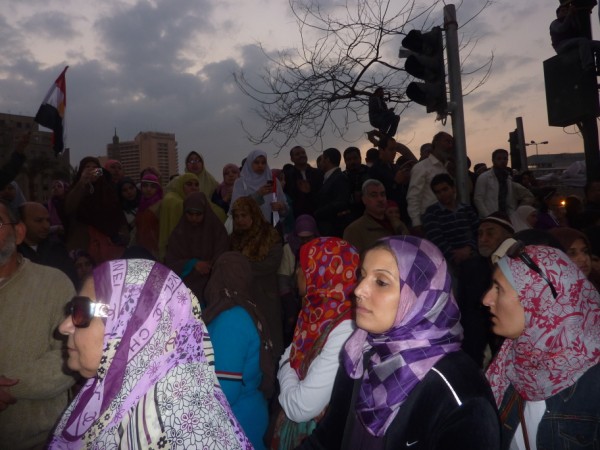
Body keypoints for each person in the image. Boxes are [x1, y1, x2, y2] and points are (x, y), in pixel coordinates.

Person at [299, 236, 500, 449]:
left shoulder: (460, 394)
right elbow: (327, 440)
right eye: (362, 276)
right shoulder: (361, 353)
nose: (358, 290)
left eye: (381, 282)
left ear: (422, 297)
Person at [49, 258, 252, 448]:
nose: (63, 327)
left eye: (82, 311)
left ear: (131, 326)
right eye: (72, 309)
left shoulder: (174, 428)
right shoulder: (111, 388)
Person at [483, 243, 600, 450]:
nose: (486, 300)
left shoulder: (593, 380)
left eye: (498, 289)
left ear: (539, 299)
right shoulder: (512, 361)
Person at [0, 200, 76, 449]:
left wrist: (11, 384)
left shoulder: (53, 283)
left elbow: (68, 356)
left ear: (18, 232)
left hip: (39, 439)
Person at [271, 237, 359, 449]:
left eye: (302, 267)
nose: (297, 273)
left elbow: (302, 407)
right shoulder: (317, 312)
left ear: (321, 274)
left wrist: (284, 367)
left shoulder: (346, 328)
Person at [203, 251, 276, 449]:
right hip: (247, 416)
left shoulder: (230, 320)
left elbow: (225, 391)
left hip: (235, 425)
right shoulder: (243, 309)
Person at [231, 196, 285, 357]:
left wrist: (242, 266)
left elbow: (271, 264)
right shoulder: (234, 238)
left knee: (269, 338)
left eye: (244, 215)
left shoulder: (269, 235)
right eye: (237, 216)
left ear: (254, 215)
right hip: (241, 295)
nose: (240, 220)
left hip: (265, 294)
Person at [165, 192, 230, 302]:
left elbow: (223, 254)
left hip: (213, 283)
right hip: (186, 287)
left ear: (206, 213)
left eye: (198, 214)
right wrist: (193, 264)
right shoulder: (178, 234)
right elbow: (170, 261)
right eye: (190, 214)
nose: (194, 218)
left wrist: (210, 267)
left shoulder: (217, 231)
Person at [64, 157, 128, 264]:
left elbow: (118, 216)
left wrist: (121, 236)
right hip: (83, 243)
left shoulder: (108, 191)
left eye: (95, 168)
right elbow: (69, 207)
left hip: (109, 245)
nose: (91, 170)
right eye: (87, 167)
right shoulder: (75, 189)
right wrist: (82, 183)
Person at [422, 173, 479, 273]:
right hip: (447, 263)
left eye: (445, 189)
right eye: (438, 192)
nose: (442, 194)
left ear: (453, 188)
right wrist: (454, 256)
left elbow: (477, 232)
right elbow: (436, 240)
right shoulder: (431, 213)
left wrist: (469, 249)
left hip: (472, 257)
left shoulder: (467, 209)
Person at [278, 214, 321, 346]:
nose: (305, 243)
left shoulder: (321, 249)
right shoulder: (289, 249)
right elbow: (283, 280)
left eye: (309, 238)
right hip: (292, 298)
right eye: (301, 239)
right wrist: (291, 308)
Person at [17, 201, 78, 286]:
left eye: (48, 220)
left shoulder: (58, 249)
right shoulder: (12, 252)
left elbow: (71, 281)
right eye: (39, 221)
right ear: (21, 223)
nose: (46, 226)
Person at [343, 179, 408, 253]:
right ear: (364, 200)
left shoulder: (397, 223)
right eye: (374, 195)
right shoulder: (354, 230)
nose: (380, 199)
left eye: (382, 194)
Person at [406, 132, 454, 232]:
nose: (450, 146)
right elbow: (413, 197)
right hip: (430, 221)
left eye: (451, 143)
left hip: (450, 220)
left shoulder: (449, 169)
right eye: (447, 141)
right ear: (436, 143)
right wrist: (417, 223)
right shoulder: (421, 167)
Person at [230, 149, 288, 224]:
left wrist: (281, 206)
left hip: (270, 229)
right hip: (247, 229)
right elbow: (236, 207)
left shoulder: (273, 181)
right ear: (250, 163)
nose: (260, 165)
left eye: (263, 163)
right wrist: (258, 194)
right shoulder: (240, 182)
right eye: (256, 162)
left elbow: (285, 209)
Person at [473, 149, 534, 219]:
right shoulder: (484, 177)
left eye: (505, 159)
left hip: (506, 216)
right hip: (490, 217)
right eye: (499, 159)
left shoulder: (508, 178)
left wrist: (513, 214)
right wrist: (488, 216)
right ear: (493, 160)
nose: (503, 161)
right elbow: (478, 199)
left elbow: (509, 200)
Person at [158, 172, 200, 260]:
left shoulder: (173, 198)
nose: (194, 188)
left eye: (196, 185)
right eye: (189, 184)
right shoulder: (177, 202)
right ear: (180, 185)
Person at [314, 148, 352, 237]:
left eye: (322, 159)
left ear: (328, 160)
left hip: (336, 228)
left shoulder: (339, 178)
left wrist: (318, 213)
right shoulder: (328, 178)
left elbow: (341, 202)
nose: (320, 162)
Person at [550, 226, 600, 291]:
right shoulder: (549, 296)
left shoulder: (596, 282)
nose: (583, 259)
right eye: (572, 253)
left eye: (585, 251)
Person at [282, 146, 323, 218]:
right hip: (297, 218)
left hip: (319, 216)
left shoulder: (318, 173)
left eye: (303, 153)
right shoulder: (287, 176)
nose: (301, 155)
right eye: (297, 154)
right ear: (292, 159)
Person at [134, 172, 163, 259]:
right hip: (142, 249)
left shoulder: (161, 205)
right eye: (145, 186)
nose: (148, 189)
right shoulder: (141, 204)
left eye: (153, 186)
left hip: (157, 250)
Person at [117, 177, 141, 244]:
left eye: (131, 188)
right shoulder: (120, 211)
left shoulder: (145, 202)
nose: (129, 192)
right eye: (124, 190)